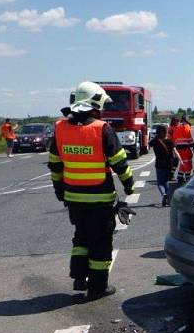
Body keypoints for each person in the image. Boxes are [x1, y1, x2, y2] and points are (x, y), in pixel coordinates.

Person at [48, 81, 135, 300]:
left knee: (81, 237)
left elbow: (55, 164)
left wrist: (59, 190)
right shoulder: (101, 129)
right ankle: (98, 287)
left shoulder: (60, 128)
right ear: (95, 104)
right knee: (101, 242)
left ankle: (79, 277)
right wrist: (129, 185)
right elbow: (120, 163)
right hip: (100, 200)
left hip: (74, 199)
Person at [149, 125, 179, 207]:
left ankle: (164, 195)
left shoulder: (155, 141)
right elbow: (176, 152)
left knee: (160, 183)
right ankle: (168, 199)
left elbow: (149, 144)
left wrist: (156, 137)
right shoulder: (170, 141)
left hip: (159, 164)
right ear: (166, 132)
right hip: (169, 164)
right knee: (166, 182)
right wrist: (181, 160)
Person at [171, 114, 194, 185]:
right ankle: (187, 177)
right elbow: (189, 138)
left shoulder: (177, 127)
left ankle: (180, 177)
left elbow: (174, 138)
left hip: (178, 148)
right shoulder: (187, 126)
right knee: (188, 163)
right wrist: (193, 145)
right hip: (185, 148)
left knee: (182, 163)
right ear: (187, 119)